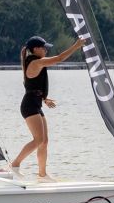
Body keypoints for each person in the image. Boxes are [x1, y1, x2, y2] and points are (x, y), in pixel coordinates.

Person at [10, 34, 82, 179]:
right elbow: (59, 59)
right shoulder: (36, 62)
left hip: (35, 103)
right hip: (29, 105)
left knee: (44, 140)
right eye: (44, 48)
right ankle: (15, 165)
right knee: (38, 140)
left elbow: (33, 86)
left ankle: (42, 174)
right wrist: (76, 46)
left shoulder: (36, 61)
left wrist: (44, 98)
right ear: (36, 49)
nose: (46, 51)